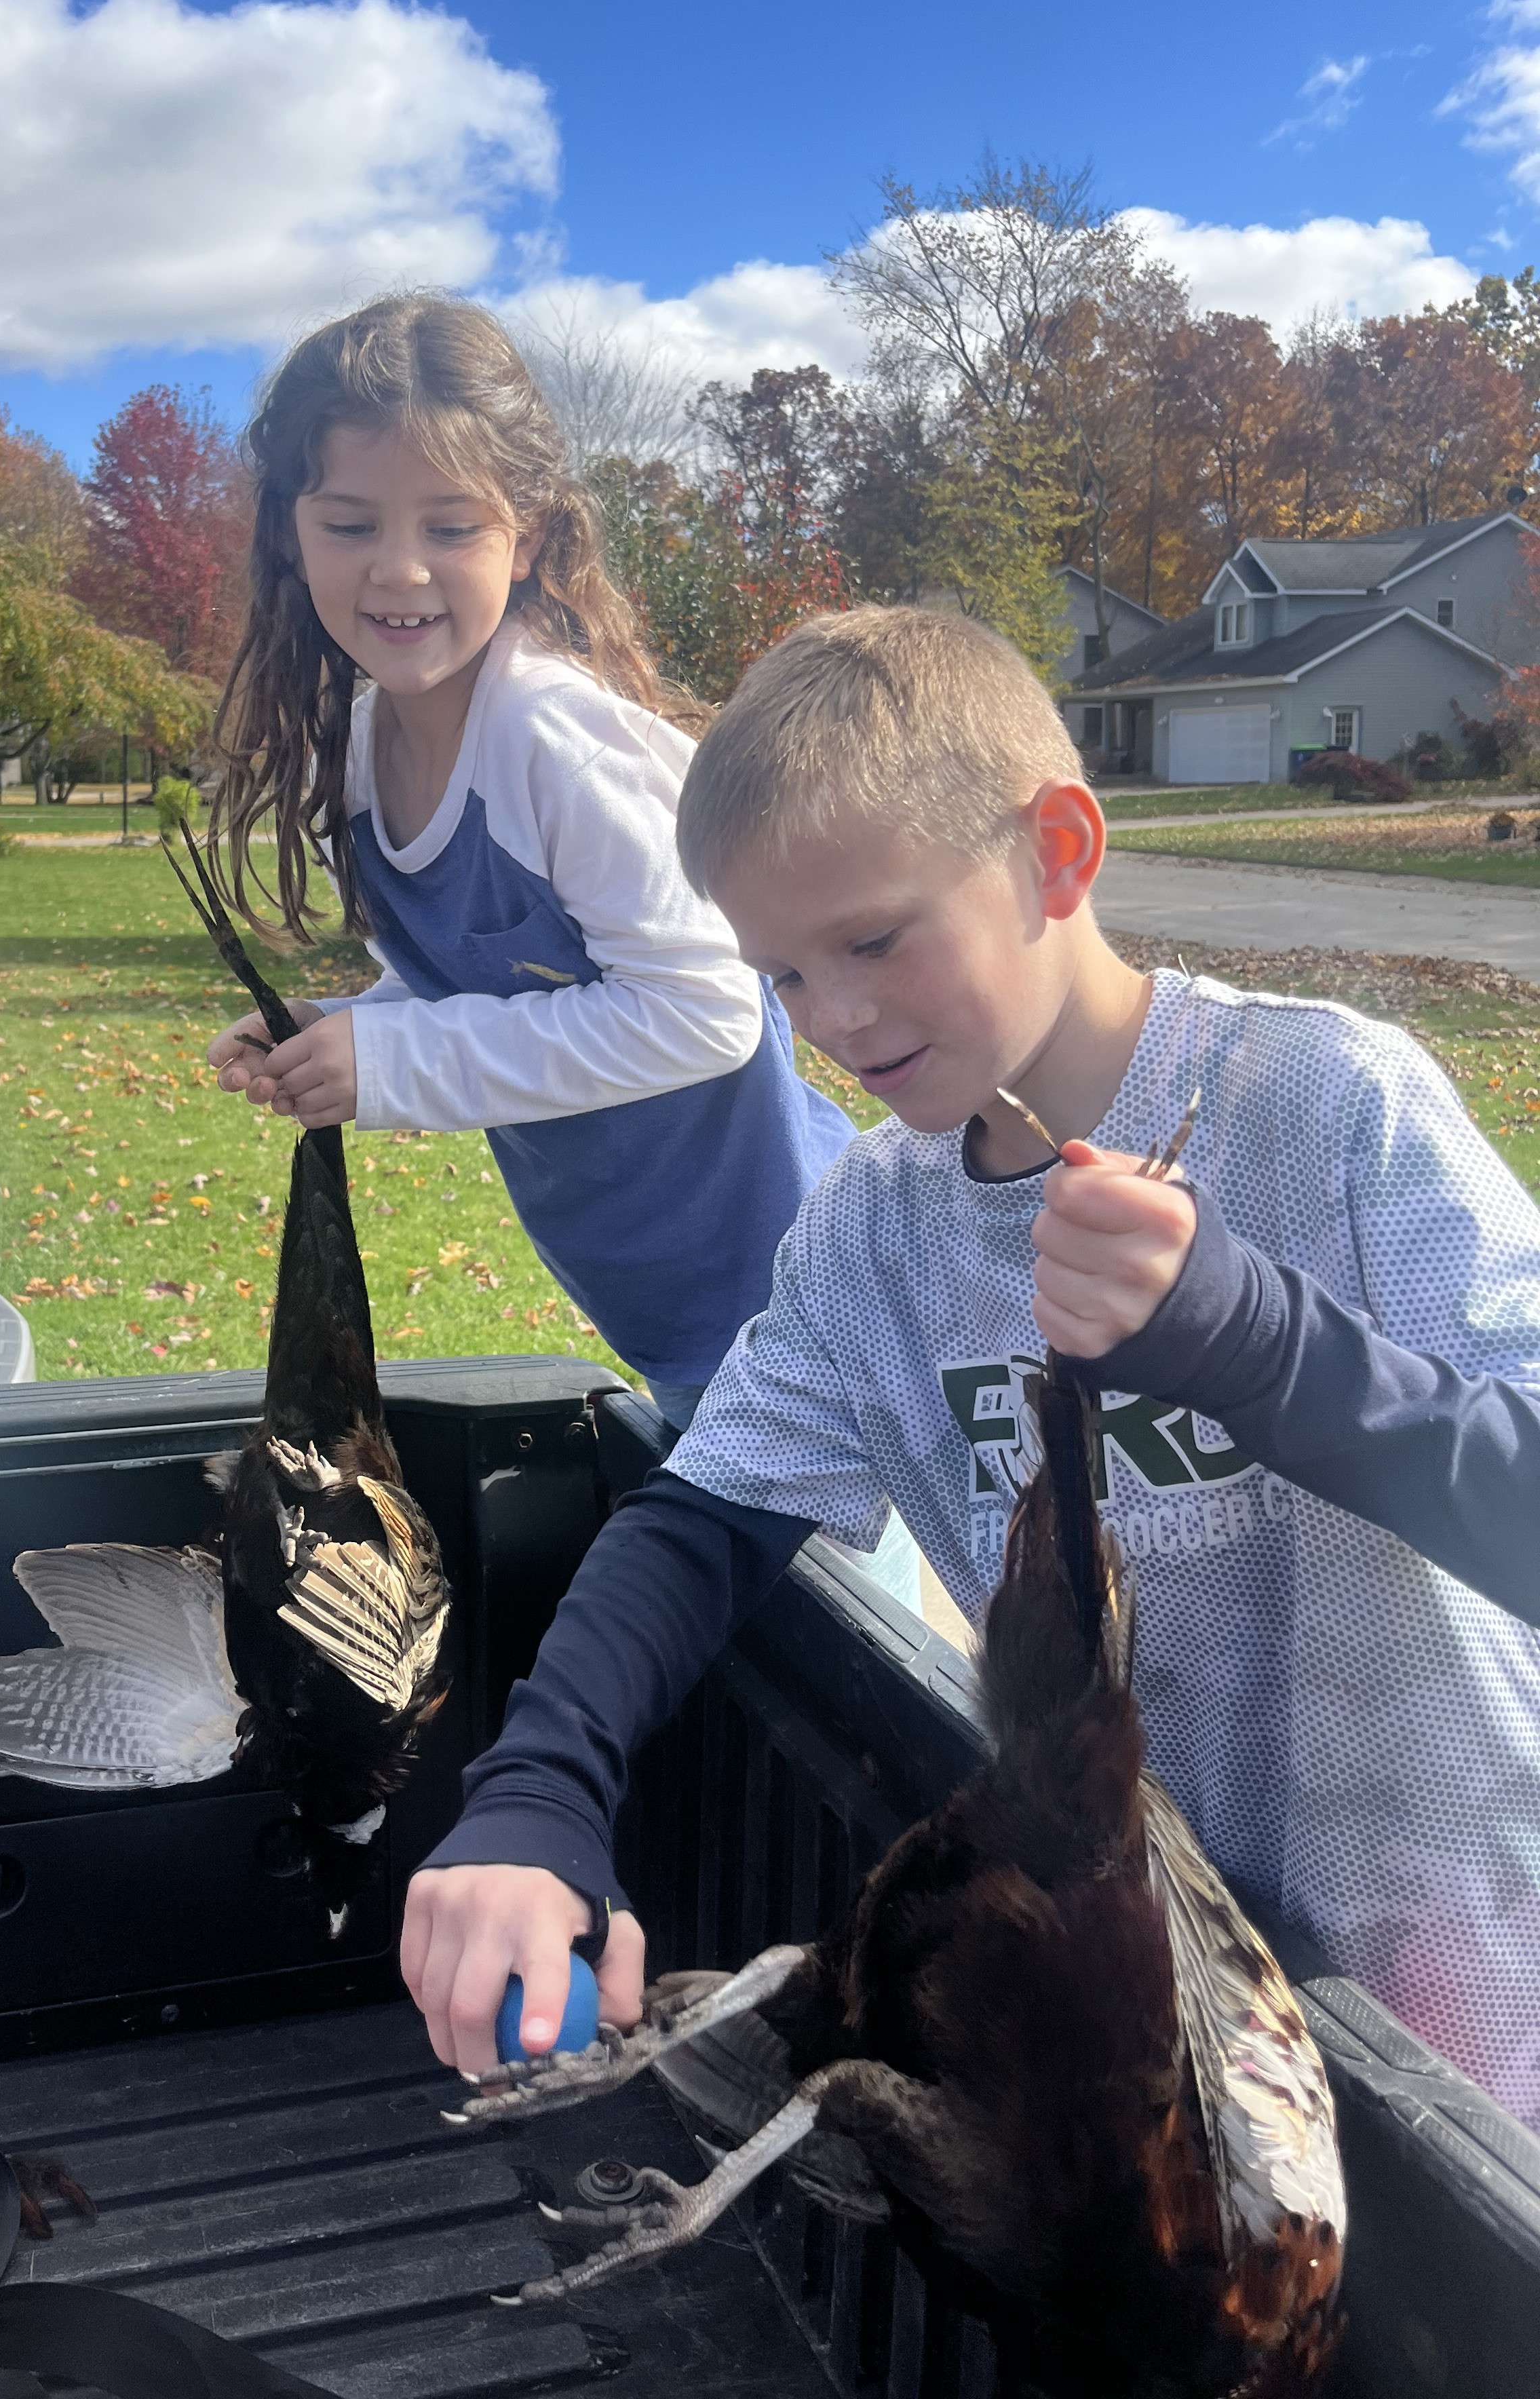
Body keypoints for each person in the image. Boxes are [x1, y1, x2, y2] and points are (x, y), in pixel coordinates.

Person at [403, 604, 1540, 2126]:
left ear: (1057, 853)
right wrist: (537, 1790)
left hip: (1475, 2001)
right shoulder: (872, 1234)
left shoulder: (1328, 1109)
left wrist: (1255, 1339)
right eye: (782, 976)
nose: (836, 1020)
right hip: (1171, 2034)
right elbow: (703, 1521)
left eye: (874, 940)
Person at [201, 290, 855, 1440]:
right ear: (289, 535)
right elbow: (487, 985)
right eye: (350, 525)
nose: (401, 571)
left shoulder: (554, 740)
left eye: (452, 528)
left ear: (531, 537)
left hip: (803, 1312)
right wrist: (342, 1028)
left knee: (836, 1578)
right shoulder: (361, 752)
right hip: (667, 1312)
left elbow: (704, 1014)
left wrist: (392, 1061)